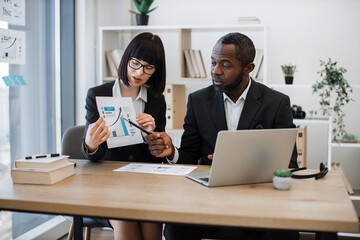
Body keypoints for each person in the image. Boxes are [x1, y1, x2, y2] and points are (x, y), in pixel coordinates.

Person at [146, 32, 299, 240]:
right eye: (213, 63)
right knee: (174, 228)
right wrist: (172, 151)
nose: (215, 71)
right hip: (208, 199)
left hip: (259, 200)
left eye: (225, 65)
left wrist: (237, 164)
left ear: (248, 68)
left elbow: (288, 164)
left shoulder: (277, 103)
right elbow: (190, 155)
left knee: (284, 232)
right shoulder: (198, 101)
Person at [81, 32, 166, 240]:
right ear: (126, 59)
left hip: (144, 184)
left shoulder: (156, 100)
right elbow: (93, 155)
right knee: (125, 215)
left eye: (148, 67)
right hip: (108, 184)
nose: (139, 72)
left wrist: (152, 136)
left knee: (151, 216)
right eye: (135, 63)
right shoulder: (97, 94)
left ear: (156, 71)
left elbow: (159, 157)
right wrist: (90, 144)